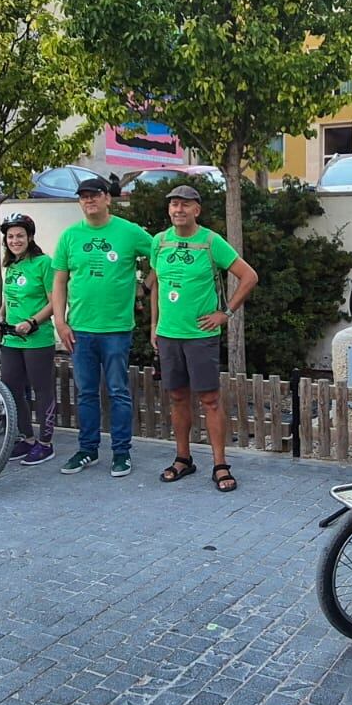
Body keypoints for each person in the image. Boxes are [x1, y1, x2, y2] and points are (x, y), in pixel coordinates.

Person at [149, 185, 259, 492]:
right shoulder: (159, 241)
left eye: (185, 205)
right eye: (174, 204)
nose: (178, 210)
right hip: (169, 334)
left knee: (210, 400)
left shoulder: (211, 241)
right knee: (177, 397)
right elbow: (156, 284)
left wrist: (226, 313)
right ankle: (183, 458)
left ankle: (220, 465)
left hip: (200, 335)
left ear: (197, 210)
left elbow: (249, 276)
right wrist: (154, 324)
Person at [52, 176, 153, 478]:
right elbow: (59, 281)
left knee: (118, 391)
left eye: (94, 195)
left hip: (116, 329)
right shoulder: (70, 236)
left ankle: (121, 453)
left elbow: (161, 256)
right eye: (83, 196)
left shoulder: (129, 232)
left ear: (108, 198)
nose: (89, 200)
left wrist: (145, 287)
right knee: (85, 393)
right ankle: (88, 449)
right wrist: (60, 321)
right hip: (80, 329)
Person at [0, 213, 59, 468]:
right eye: (10, 237)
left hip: (37, 338)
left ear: (30, 237)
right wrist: (0, 314)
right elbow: (9, 297)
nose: (15, 241)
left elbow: (55, 302)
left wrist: (32, 322)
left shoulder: (44, 263)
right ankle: (27, 438)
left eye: (20, 236)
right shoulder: (11, 265)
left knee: (42, 389)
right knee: (11, 388)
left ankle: (45, 443)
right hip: (12, 338)